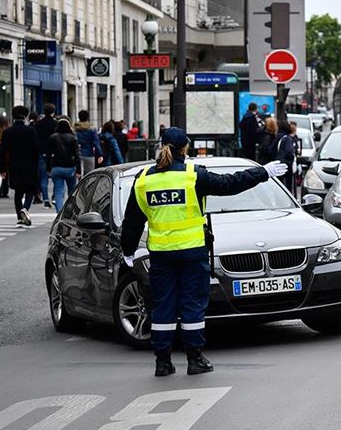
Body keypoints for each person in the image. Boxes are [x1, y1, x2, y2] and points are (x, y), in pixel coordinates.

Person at [119, 128, 287, 377]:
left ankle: (162, 362)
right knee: (192, 305)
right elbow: (231, 184)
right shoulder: (192, 175)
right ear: (184, 149)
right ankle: (195, 359)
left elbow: (132, 220)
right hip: (192, 252)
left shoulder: (144, 179)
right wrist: (263, 172)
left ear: (161, 147)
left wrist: (128, 250)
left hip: (161, 254)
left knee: (163, 307)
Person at [0, 106, 39, 226]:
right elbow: (36, 149)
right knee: (31, 190)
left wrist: (2, 168)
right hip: (29, 165)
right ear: (25, 116)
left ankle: (20, 216)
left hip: (14, 165)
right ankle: (25, 209)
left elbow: (3, 151)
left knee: (18, 191)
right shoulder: (31, 131)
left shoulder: (8, 132)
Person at [46, 118, 81, 213]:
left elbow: (48, 154)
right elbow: (77, 155)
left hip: (56, 167)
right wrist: (78, 171)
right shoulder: (73, 137)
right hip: (70, 167)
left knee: (58, 191)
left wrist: (48, 168)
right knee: (72, 191)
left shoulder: (53, 137)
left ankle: (59, 213)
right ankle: (70, 211)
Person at [34, 103, 58, 208]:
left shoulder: (38, 124)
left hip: (41, 153)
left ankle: (45, 199)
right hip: (54, 154)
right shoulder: (55, 124)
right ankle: (54, 196)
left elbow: (34, 139)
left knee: (43, 178)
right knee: (56, 178)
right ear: (53, 112)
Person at [75, 110, 104, 175]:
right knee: (89, 175)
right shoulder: (92, 129)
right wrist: (100, 155)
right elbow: (96, 143)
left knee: (79, 174)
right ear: (88, 117)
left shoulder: (75, 128)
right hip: (89, 154)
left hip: (77, 154)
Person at [277, 122, 297, 193]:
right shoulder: (288, 139)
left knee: (280, 185)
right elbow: (289, 151)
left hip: (279, 162)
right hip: (286, 163)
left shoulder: (280, 137)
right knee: (288, 185)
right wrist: (291, 159)